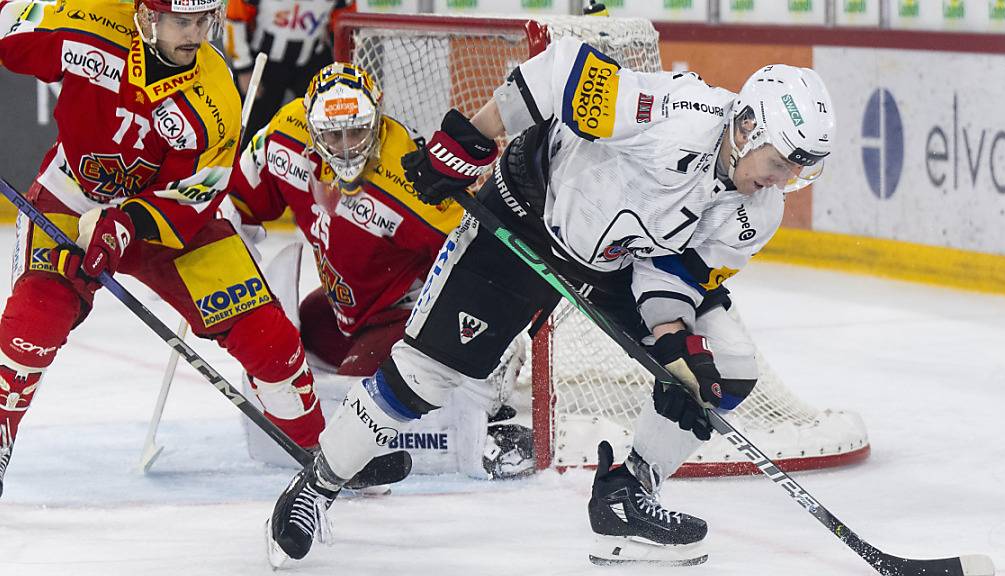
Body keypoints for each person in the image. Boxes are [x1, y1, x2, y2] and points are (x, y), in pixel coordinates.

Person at [264, 36, 835, 567]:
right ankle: (318, 483)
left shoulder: (759, 210)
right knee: (422, 377)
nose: (782, 181)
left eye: (796, 171)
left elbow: (674, 271)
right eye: (780, 163)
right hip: (524, 217)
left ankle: (625, 497)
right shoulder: (674, 114)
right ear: (747, 127)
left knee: (725, 369)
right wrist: (473, 136)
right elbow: (563, 71)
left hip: (618, 261)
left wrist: (672, 341)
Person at [0, 0, 326, 497]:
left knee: (269, 339)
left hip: (163, 222)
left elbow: (201, 192)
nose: (195, 34)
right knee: (34, 317)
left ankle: (323, 457)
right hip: (73, 195)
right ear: (148, 18)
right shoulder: (86, 19)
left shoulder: (214, 92)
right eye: (182, 21)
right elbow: (9, 25)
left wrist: (127, 224)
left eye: (203, 20)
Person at [229, 61, 533, 480]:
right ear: (311, 129)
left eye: (357, 131)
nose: (347, 146)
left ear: (377, 118)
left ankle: (493, 359)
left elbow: (478, 254)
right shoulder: (285, 135)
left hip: (403, 315)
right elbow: (239, 204)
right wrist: (214, 237)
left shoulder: (406, 180)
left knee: (355, 402)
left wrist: (495, 328)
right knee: (276, 347)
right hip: (348, 310)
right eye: (333, 135)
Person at [223, 0, 354, 145]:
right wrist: (244, 68)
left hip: (311, 59)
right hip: (265, 62)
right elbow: (234, 21)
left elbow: (345, 26)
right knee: (252, 126)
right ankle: (244, 161)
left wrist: (345, 67)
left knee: (322, 122)